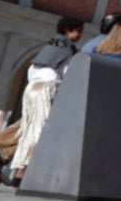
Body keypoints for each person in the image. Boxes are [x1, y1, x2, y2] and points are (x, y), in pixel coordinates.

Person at [8, 16, 85, 184]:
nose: (80, 35)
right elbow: (68, 72)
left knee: (27, 126)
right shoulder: (68, 48)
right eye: (78, 31)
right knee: (40, 130)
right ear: (68, 30)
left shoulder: (51, 44)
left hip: (31, 86)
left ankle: (3, 157)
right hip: (46, 88)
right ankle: (22, 173)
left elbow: (33, 68)